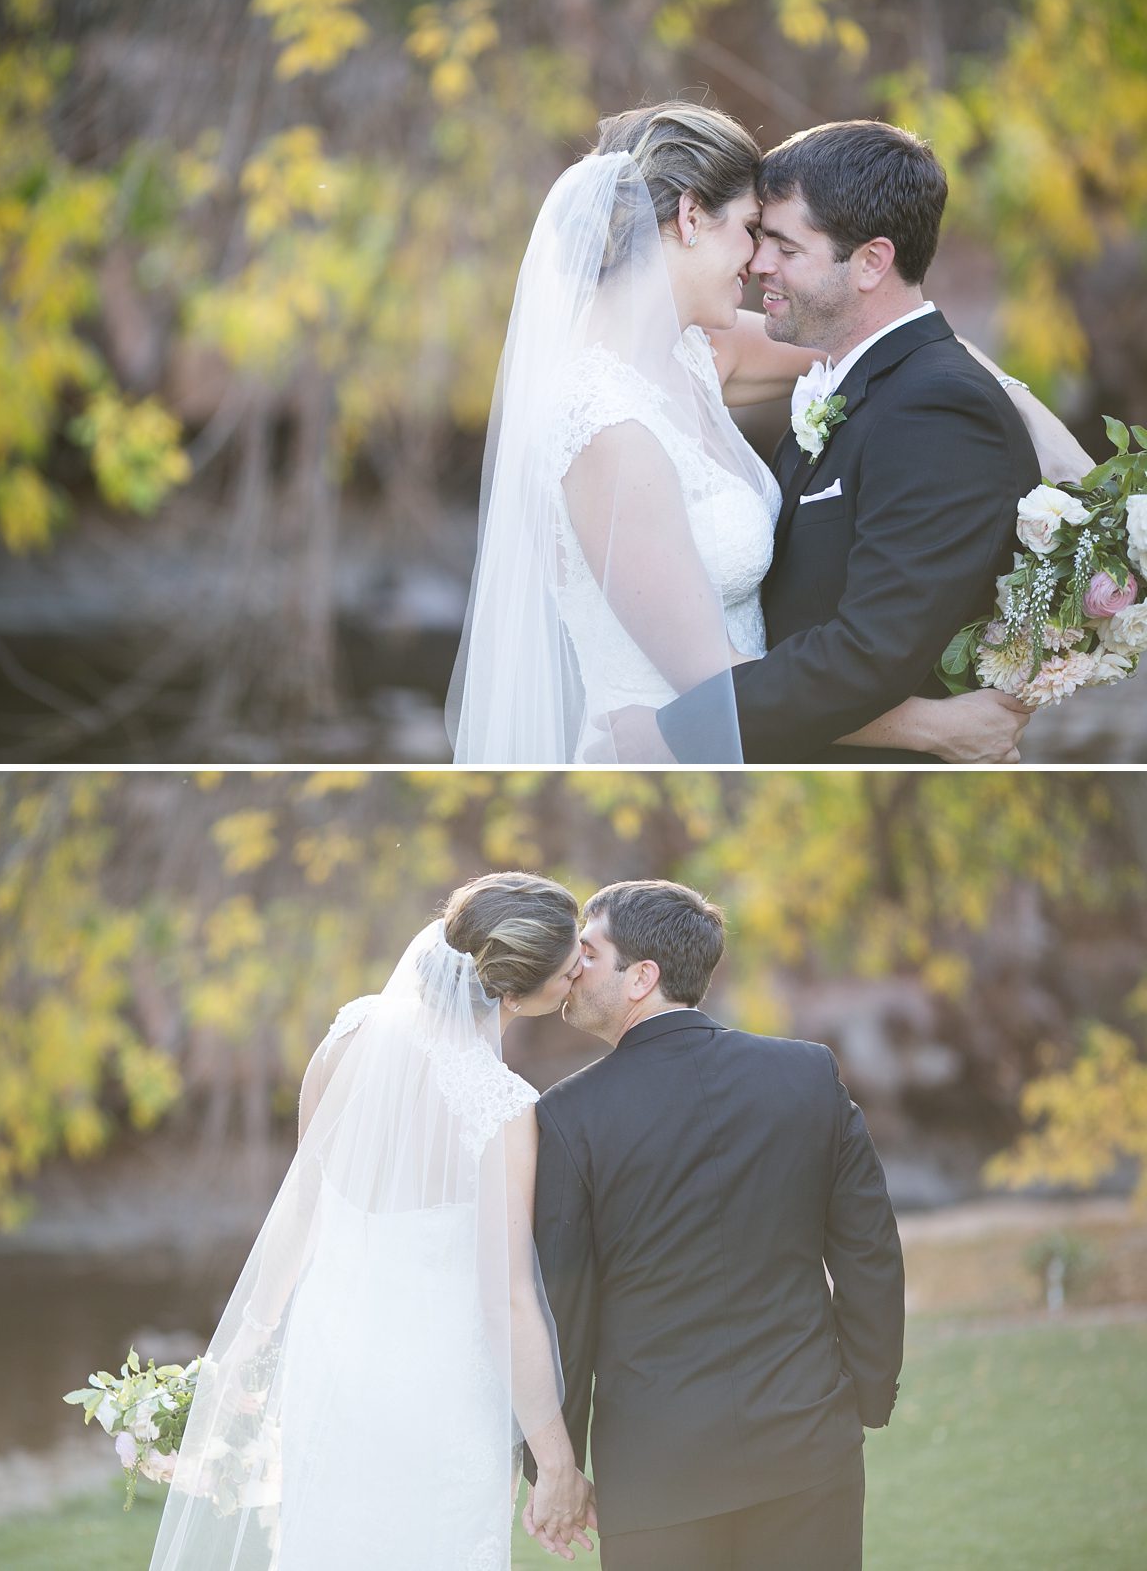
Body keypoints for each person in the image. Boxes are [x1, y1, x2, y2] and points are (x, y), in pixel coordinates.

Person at [446, 102, 1090, 765]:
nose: (757, 261)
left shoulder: (701, 350)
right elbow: (712, 688)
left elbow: (897, 341)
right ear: (691, 217)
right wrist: (931, 726)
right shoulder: (607, 434)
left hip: (758, 737)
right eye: (754, 230)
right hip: (665, 751)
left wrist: (1046, 435)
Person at [148, 872, 597, 1571]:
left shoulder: (351, 1034)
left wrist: (254, 1337)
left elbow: (301, 1204)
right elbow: (506, 1296)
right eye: (569, 972)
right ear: (511, 994)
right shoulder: (503, 1109)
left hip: (334, 1367)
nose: (577, 982)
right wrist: (557, 1458)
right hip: (442, 1392)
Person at [527, 879, 904, 1571]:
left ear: (642, 976)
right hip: (809, 1440)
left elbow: (564, 1301)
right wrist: (869, 1391)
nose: (570, 966)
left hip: (657, 1467)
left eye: (588, 949)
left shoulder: (567, 1116)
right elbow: (869, 1251)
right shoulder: (807, 1074)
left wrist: (557, 1464)